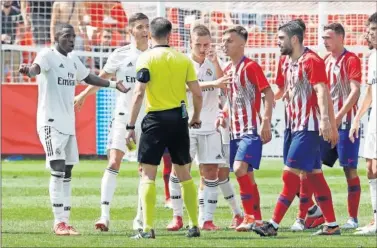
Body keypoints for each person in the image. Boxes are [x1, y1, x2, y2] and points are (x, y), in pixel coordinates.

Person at [18, 23, 128, 236]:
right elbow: (35, 69)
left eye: (73, 36)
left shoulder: (72, 60)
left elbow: (89, 78)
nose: (71, 40)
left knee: (67, 170)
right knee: (57, 168)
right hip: (50, 122)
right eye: (67, 36)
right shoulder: (47, 55)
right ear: (56, 36)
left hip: (68, 124)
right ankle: (59, 222)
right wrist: (28, 71)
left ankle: (65, 221)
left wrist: (115, 85)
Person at [253, 21, 340, 236]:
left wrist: (327, 120)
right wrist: (271, 98)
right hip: (292, 126)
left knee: (289, 175)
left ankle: (272, 225)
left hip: (308, 128)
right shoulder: (285, 61)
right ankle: (332, 224)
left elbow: (321, 91)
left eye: (281, 38)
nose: (278, 42)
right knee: (314, 176)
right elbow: (282, 88)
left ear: (294, 39)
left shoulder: (312, 60)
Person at [126, 17, 203, 239]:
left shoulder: (146, 58)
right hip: (179, 119)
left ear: (150, 34)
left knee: (148, 173)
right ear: (170, 35)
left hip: (155, 120)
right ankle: (194, 225)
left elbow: (139, 92)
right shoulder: (183, 59)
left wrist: (131, 125)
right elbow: (197, 93)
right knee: (184, 173)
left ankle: (147, 228)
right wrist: (195, 116)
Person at [73, 13, 150, 232]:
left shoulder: (156, 54)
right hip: (123, 114)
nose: (145, 30)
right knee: (113, 161)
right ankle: (104, 215)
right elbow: (102, 78)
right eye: (140, 27)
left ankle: (139, 218)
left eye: (147, 26)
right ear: (130, 31)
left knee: (145, 169)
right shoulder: (120, 54)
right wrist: (84, 95)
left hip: (149, 118)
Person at [166, 24, 242, 231]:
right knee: (180, 170)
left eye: (206, 44)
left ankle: (206, 219)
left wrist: (216, 63)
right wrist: (213, 83)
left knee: (210, 172)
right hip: (186, 125)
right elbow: (180, 88)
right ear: (190, 43)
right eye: (198, 44)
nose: (202, 48)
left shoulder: (214, 63)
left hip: (210, 126)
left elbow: (224, 85)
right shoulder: (181, 62)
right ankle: (177, 216)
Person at [216, 26, 274, 232]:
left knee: (240, 169)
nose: (224, 44)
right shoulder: (228, 70)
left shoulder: (250, 67)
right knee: (247, 176)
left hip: (250, 130)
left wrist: (266, 121)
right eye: (223, 40)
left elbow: (269, 94)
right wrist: (222, 115)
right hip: (234, 132)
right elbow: (229, 101)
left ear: (242, 44)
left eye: (229, 40)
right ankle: (256, 219)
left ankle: (249, 217)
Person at [320, 23, 362, 230]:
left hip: (346, 125)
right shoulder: (325, 60)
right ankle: (315, 212)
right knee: (308, 168)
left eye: (328, 37)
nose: (324, 41)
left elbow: (355, 92)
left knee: (349, 170)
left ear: (340, 38)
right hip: (329, 126)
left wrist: (337, 116)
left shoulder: (351, 59)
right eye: (323, 38)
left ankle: (353, 219)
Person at [350, 12, 377, 235]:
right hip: (374, 119)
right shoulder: (373, 57)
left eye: (374, 30)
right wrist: (357, 119)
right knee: (370, 167)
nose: (370, 34)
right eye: (370, 30)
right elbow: (369, 91)